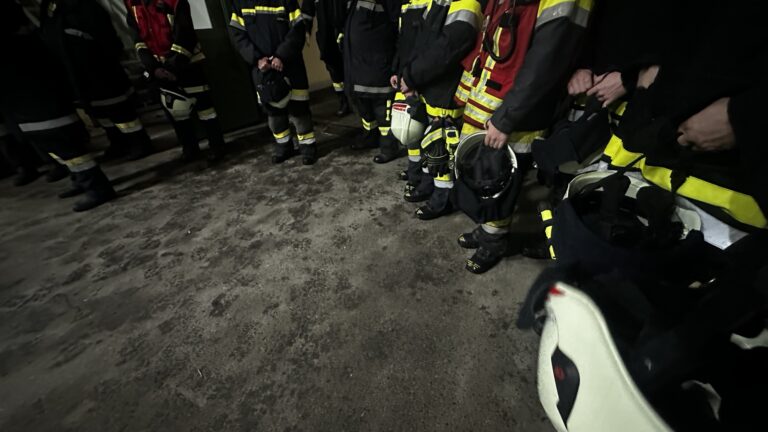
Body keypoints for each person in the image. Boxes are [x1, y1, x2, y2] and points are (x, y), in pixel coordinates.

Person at [453, 0, 594, 274]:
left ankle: (495, 242)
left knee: (500, 178)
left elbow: (546, 60)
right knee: (485, 175)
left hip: (521, 110)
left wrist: (506, 118)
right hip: (502, 104)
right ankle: (488, 232)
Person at [0, 1, 116, 212]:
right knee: (61, 152)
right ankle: (82, 181)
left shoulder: (19, 46)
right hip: (32, 108)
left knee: (70, 151)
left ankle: (96, 187)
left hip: (41, 108)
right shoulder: (30, 39)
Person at [393, 0, 483, 220]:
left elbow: (447, 48)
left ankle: (444, 199)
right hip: (430, 83)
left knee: (442, 145)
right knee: (430, 142)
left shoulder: (467, 3)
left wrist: (412, 75)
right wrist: (407, 73)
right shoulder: (441, 2)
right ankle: (428, 185)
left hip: (447, 86)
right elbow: (421, 42)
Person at [40, 0, 154, 162]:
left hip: (98, 67)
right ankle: (118, 142)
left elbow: (106, 35)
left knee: (119, 109)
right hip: (75, 71)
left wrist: (110, 58)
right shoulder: (50, 6)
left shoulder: (83, 5)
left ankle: (140, 142)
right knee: (99, 112)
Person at [125, 0, 227, 163]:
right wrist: (153, 68)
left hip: (188, 64)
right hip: (159, 69)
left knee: (205, 110)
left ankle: (217, 146)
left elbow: (185, 33)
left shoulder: (174, 1)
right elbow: (138, 39)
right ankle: (189, 149)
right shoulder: (132, 5)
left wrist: (171, 67)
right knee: (176, 113)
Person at [228, 0, 318, 165]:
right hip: (262, 69)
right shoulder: (240, 3)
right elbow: (237, 35)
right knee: (274, 114)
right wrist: (257, 59)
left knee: (300, 111)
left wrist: (281, 55)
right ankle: (284, 147)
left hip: (291, 66)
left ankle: (308, 148)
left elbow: (298, 29)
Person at [343, 0, 402, 164]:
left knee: (383, 114)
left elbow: (399, 29)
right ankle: (370, 137)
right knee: (365, 110)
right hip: (358, 69)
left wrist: (395, 65)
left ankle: (389, 148)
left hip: (379, 67)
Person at [300, 0, 350, 117]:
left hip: (347, 31)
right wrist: (306, 29)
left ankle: (357, 101)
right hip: (326, 35)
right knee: (334, 70)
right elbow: (307, 11)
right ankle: (343, 101)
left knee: (352, 67)